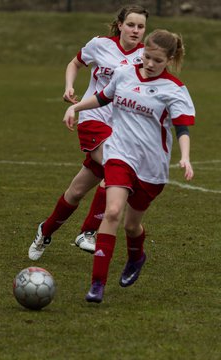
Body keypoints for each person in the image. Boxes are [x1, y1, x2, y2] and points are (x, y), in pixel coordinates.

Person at [62, 29, 195, 303]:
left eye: (156, 60)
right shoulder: (124, 73)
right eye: (146, 56)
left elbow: (182, 127)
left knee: (132, 226)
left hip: (151, 166)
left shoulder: (175, 90)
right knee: (112, 212)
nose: (148, 63)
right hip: (119, 154)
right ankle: (97, 284)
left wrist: (185, 156)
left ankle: (137, 256)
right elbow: (102, 98)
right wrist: (75, 108)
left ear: (169, 59)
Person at [28, 4, 149, 260]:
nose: (135, 30)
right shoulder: (100, 45)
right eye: (131, 25)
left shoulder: (146, 56)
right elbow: (74, 63)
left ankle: (45, 229)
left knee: (76, 191)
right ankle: (88, 232)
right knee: (116, 170)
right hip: (92, 118)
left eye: (141, 26)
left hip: (121, 129)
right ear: (119, 25)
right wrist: (69, 86)